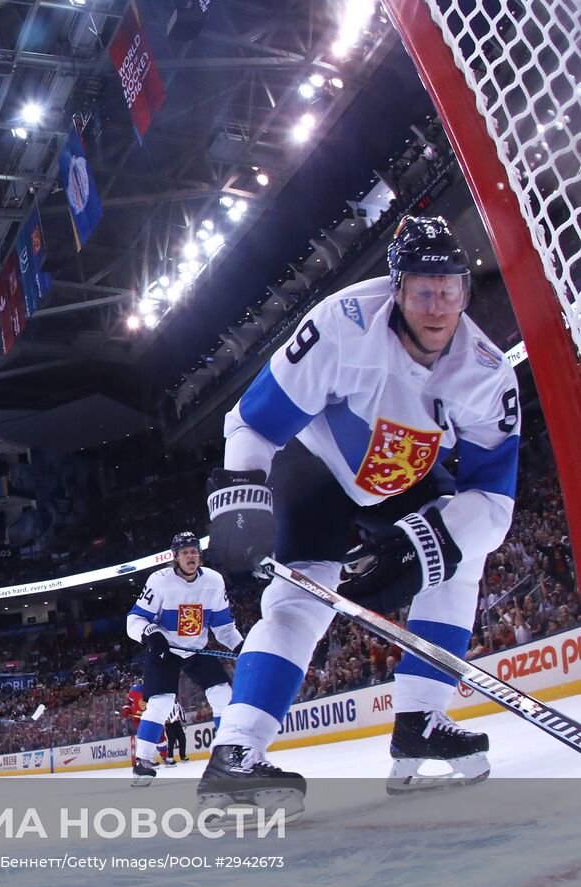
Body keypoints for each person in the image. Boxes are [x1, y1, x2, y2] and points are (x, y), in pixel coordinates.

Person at [201, 216, 520, 809]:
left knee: (464, 554)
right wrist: (243, 498)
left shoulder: (486, 373)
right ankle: (237, 755)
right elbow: (255, 421)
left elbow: (493, 500)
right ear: (396, 288)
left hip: (404, 477)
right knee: (299, 602)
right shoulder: (340, 325)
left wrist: (428, 545)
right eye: (423, 290)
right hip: (314, 466)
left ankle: (419, 721)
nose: (437, 307)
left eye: (450, 289)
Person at [126, 532, 242, 785]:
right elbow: (134, 619)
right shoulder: (159, 581)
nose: (191, 556)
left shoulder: (214, 580)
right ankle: (143, 761)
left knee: (223, 693)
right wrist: (151, 635)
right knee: (161, 702)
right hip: (165, 649)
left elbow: (223, 627)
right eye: (185, 552)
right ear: (175, 557)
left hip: (196, 649)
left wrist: (240, 645)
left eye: (194, 551)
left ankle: (227, 754)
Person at [163, 699, 188, 765]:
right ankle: (170, 757)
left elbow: (181, 711)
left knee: (182, 739)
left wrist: (184, 720)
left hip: (177, 723)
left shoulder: (176, 702)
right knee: (171, 740)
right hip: (168, 724)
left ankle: (183, 756)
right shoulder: (164, 703)